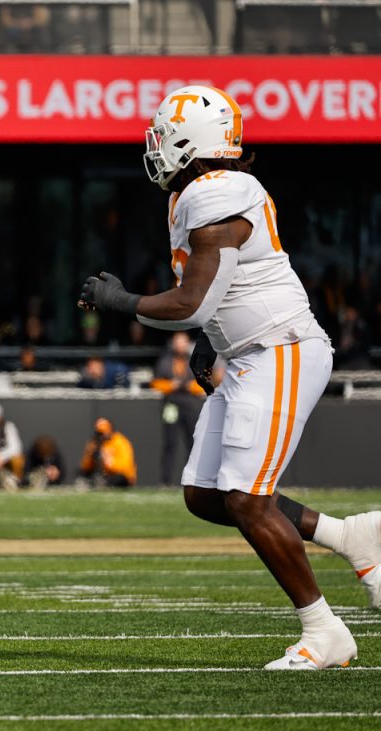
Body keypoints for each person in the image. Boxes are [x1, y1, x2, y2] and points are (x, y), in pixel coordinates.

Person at [79, 84, 381, 670]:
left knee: (246, 498)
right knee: (206, 495)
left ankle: (324, 632)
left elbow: (192, 300)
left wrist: (121, 301)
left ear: (193, 143)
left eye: (165, 136)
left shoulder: (219, 194)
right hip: (247, 354)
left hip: (280, 351)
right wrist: (205, 339)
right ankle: (351, 537)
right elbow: (219, 294)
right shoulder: (196, 192)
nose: (157, 146)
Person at [150, 331, 206, 485]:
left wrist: (189, 386)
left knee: (192, 443)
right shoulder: (165, 361)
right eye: (177, 342)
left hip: (190, 405)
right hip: (171, 405)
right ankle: (165, 481)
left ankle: (193, 480)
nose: (180, 345)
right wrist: (171, 385)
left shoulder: (196, 361)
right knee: (170, 442)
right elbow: (156, 383)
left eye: (183, 342)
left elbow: (203, 384)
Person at [78, 417, 136, 488]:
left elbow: (124, 468)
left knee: (118, 478)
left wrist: (108, 461)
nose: (101, 436)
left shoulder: (121, 442)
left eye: (103, 432)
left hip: (120, 476)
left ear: (110, 430)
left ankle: (101, 484)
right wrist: (89, 455)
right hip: (104, 475)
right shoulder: (95, 443)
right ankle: (95, 483)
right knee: (82, 474)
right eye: (99, 433)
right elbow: (85, 467)